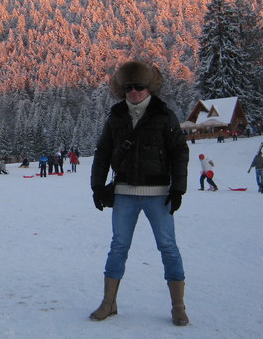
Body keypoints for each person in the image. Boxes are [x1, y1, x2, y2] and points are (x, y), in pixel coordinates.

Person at [90, 60, 189, 326]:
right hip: (124, 192)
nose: (134, 91)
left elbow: (179, 151)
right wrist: (97, 186)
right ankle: (108, 302)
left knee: (168, 247)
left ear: (150, 87)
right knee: (118, 246)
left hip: (159, 193)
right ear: (121, 89)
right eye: (128, 87)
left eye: (139, 86)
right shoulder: (116, 116)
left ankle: (178, 306)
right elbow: (102, 152)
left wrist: (178, 188)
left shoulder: (164, 115)